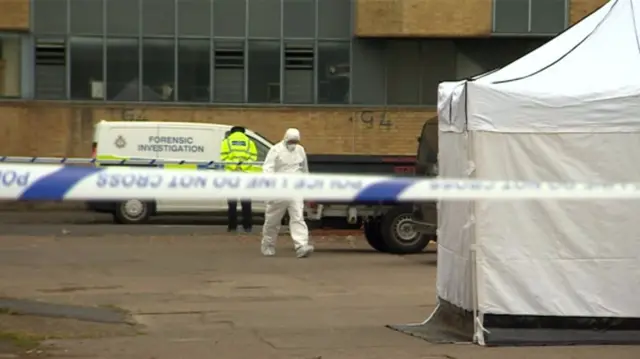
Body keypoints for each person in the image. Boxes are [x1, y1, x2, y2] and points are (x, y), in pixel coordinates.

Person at [261, 128, 314, 258]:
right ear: (285, 139)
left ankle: (301, 245)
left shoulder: (300, 150)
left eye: (295, 141)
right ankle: (268, 244)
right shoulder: (276, 150)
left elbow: (304, 168)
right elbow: (267, 168)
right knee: (272, 221)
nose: (293, 143)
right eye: (291, 141)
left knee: (298, 217)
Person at [220, 126, 258, 233]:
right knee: (246, 202)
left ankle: (232, 226)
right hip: (245, 174)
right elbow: (253, 157)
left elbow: (223, 157)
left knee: (232, 203)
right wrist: (243, 167)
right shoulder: (249, 142)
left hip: (231, 174)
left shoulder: (226, 142)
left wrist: (234, 167)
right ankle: (247, 226)